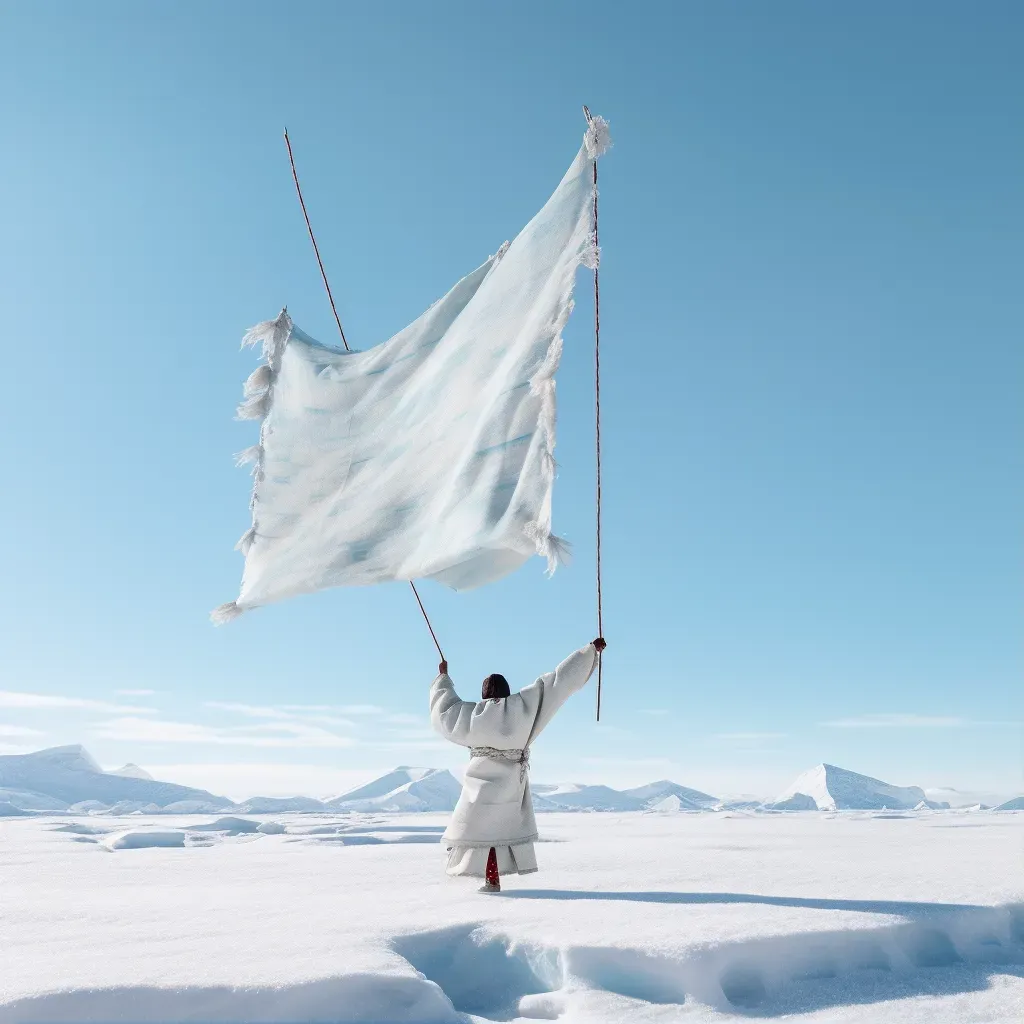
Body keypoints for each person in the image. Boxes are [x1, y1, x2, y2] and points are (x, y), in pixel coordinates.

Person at [429, 637, 607, 892]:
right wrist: (590, 651)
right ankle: (494, 877)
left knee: (481, 833)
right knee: (503, 831)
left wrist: (443, 678)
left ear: (483, 694)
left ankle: (490, 879)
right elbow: (558, 682)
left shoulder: (471, 716)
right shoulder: (523, 707)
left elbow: (444, 712)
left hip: (478, 789)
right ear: (507, 690)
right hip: (511, 787)